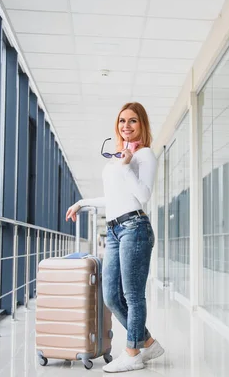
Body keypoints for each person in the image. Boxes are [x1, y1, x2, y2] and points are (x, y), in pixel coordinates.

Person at [65, 102, 163, 372]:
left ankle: (133, 352)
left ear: (142, 124)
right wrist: (82, 203)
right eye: (122, 121)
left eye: (133, 121)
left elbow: (142, 196)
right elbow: (113, 198)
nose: (126, 126)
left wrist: (126, 167)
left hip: (135, 227)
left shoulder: (144, 156)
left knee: (132, 295)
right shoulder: (119, 157)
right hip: (114, 230)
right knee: (110, 296)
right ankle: (147, 341)